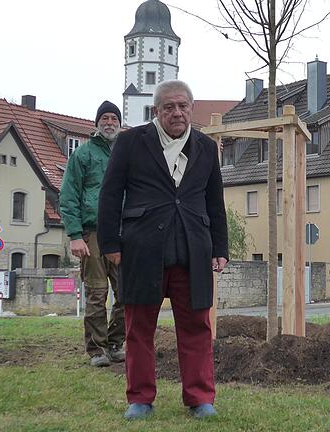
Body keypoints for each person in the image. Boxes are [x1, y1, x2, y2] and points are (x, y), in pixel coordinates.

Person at [97, 79, 228, 420]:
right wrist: (110, 243)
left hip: (192, 249)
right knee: (138, 328)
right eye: (168, 107)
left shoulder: (205, 146)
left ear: (191, 108)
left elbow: (215, 201)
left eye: (183, 106)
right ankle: (139, 398)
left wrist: (220, 247)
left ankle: (200, 398)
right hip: (142, 248)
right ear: (156, 111)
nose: (177, 112)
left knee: (198, 327)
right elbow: (110, 194)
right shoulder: (129, 142)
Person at [60, 101, 126, 368]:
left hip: (124, 232)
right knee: (97, 293)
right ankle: (96, 349)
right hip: (93, 233)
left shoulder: (126, 153)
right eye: (105, 118)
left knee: (127, 293)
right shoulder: (83, 155)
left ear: (120, 124)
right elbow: (68, 195)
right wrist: (75, 234)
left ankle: (115, 342)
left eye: (114, 118)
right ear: (97, 123)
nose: (110, 123)